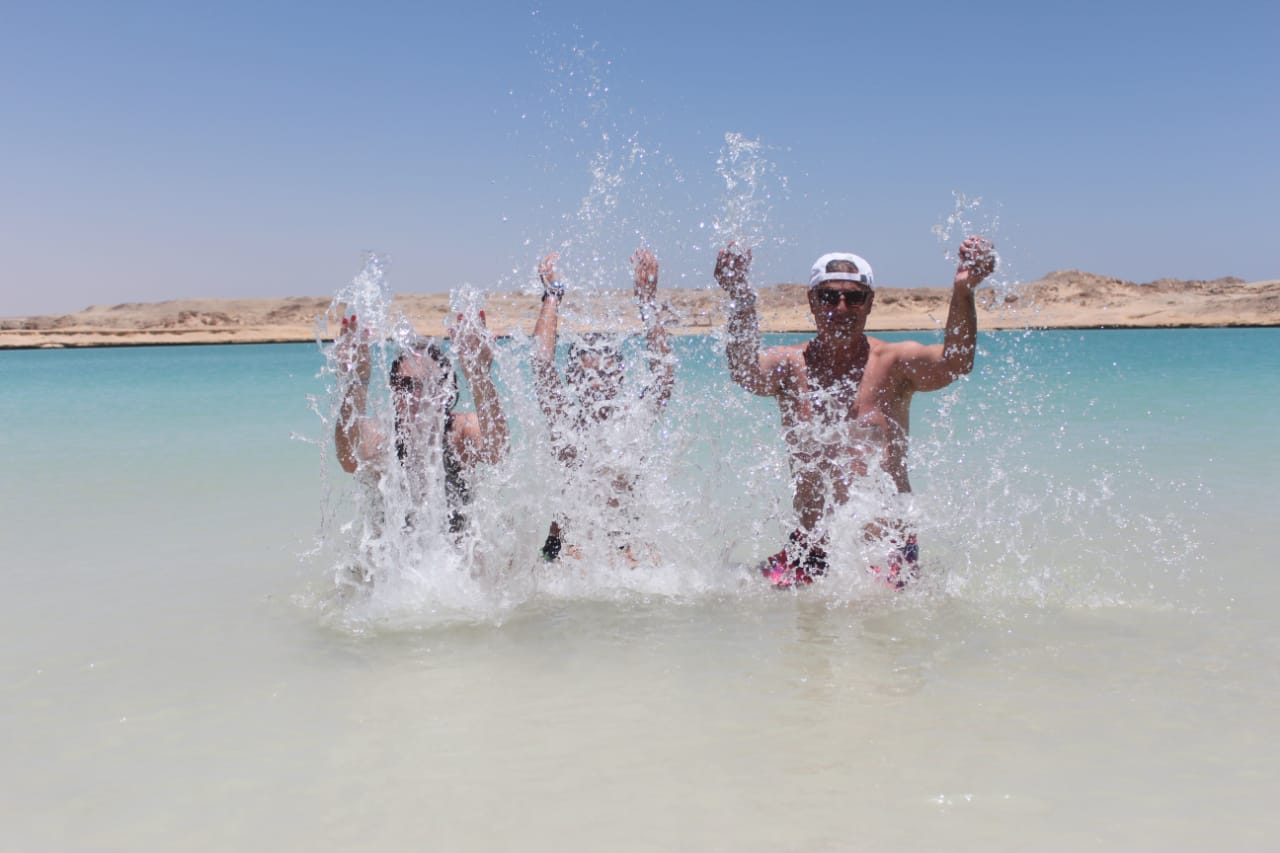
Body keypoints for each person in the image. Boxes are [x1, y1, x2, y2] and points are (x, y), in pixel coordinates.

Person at [714, 236, 996, 588]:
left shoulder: (893, 364)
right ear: (812, 301)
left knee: (877, 633)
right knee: (730, 593)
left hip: (882, 550)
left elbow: (956, 362)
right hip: (809, 550)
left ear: (870, 303)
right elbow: (744, 372)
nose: (842, 307)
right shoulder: (790, 366)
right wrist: (740, 297)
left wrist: (964, 290)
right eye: (830, 296)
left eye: (854, 297)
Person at [531, 247, 675, 562]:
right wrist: (552, 295)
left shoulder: (632, 419)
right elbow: (541, 364)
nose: (596, 383)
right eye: (586, 372)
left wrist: (647, 302)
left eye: (604, 372)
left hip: (624, 544)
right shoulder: (564, 421)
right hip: (567, 545)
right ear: (571, 377)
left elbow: (664, 375)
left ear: (620, 376)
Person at [333, 310, 508, 550]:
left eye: (428, 384)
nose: (417, 395)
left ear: (447, 390)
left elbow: (497, 450)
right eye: (406, 385)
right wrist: (357, 380)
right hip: (392, 564)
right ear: (393, 391)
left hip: (456, 562)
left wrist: (479, 377)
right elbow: (348, 459)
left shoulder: (462, 430)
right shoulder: (379, 436)